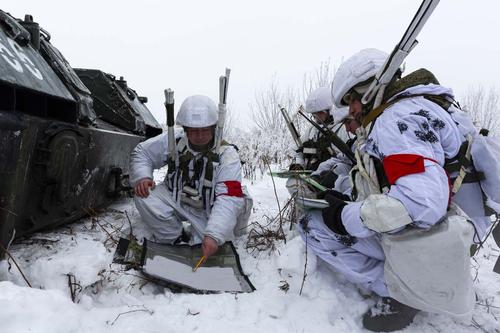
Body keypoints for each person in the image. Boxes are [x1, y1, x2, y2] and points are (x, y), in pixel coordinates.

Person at [297, 48, 498, 332]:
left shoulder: (397, 120)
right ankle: (424, 281)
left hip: (440, 239)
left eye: (351, 100)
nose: (351, 110)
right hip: (461, 231)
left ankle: (403, 294)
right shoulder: (429, 106)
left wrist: (343, 216)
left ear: (367, 92)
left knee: (311, 224)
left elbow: (420, 205)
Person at [130, 95, 251, 259]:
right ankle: (176, 237)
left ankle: (211, 232)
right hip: (176, 197)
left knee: (216, 247)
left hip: (210, 207)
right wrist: (142, 177)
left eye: (205, 130)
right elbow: (143, 152)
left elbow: (228, 197)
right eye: (194, 130)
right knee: (143, 197)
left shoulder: (227, 155)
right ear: (185, 129)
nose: (199, 135)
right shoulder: (174, 140)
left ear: (214, 128)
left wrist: (214, 234)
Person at [287, 86, 345, 197]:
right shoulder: (312, 130)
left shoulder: (343, 129)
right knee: (292, 183)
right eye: (314, 114)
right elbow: (297, 150)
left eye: (320, 113)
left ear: (330, 111)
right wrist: (298, 164)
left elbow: (346, 160)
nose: (316, 117)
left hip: (333, 180)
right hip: (311, 179)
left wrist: (325, 152)